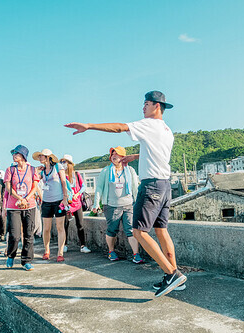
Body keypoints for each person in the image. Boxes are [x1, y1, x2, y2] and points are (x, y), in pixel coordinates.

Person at [65, 90, 187, 297]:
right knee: (161, 231)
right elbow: (157, 152)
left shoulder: (149, 124)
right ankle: (174, 278)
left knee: (139, 232)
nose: (143, 107)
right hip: (165, 185)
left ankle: (171, 273)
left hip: (151, 187)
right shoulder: (167, 130)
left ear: (157, 106)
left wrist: (89, 126)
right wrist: (135, 156)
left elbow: (119, 127)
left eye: (146, 103)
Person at [92, 146, 144, 264]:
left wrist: (138, 203)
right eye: (112, 154)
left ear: (123, 157)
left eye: (117, 154)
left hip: (128, 205)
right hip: (111, 205)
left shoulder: (130, 170)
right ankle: (111, 251)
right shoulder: (106, 171)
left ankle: (136, 254)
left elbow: (136, 188)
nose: (114, 156)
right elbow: (99, 188)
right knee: (112, 229)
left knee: (131, 229)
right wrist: (96, 204)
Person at [3, 145, 39, 270]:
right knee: (14, 234)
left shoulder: (32, 170)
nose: (14, 155)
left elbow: (34, 187)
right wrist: (19, 198)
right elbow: (8, 187)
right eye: (13, 153)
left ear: (23, 155)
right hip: (14, 206)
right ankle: (11, 255)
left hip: (29, 205)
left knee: (29, 234)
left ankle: (26, 260)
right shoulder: (10, 170)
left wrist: (26, 198)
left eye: (16, 153)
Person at [33, 148, 69, 262]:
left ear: (48, 157)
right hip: (46, 201)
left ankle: (60, 252)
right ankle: (47, 250)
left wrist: (65, 197)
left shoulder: (58, 167)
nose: (39, 158)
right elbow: (34, 181)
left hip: (58, 201)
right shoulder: (42, 171)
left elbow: (63, 182)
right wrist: (36, 171)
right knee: (46, 228)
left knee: (60, 227)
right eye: (39, 156)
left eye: (41, 156)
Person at [59, 154, 91, 254]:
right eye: (62, 162)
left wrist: (78, 193)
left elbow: (83, 186)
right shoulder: (61, 175)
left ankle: (83, 245)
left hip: (77, 203)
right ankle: (64, 245)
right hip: (66, 204)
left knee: (80, 224)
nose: (63, 164)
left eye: (64, 162)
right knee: (65, 225)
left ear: (70, 164)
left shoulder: (76, 174)